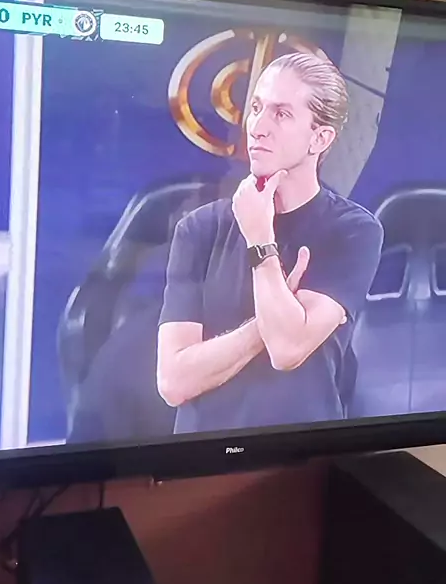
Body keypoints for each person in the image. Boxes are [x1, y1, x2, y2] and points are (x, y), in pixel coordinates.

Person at [157, 51, 384, 434]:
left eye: (281, 114)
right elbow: (173, 381)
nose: (258, 127)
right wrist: (271, 319)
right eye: (257, 108)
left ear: (320, 138)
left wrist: (260, 240)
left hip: (303, 457)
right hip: (201, 457)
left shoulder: (353, 230)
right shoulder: (198, 229)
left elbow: (287, 349)